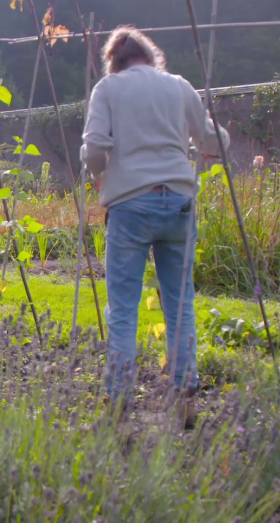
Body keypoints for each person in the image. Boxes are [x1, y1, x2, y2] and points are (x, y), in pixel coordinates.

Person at [81, 26, 230, 428]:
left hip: (130, 205)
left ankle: (118, 406)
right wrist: (202, 149)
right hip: (179, 202)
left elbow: (94, 149)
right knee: (179, 304)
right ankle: (185, 400)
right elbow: (216, 142)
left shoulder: (108, 89)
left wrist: (100, 172)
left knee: (124, 310)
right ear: (151, 55)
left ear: (114, 61)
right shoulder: (178, 87)